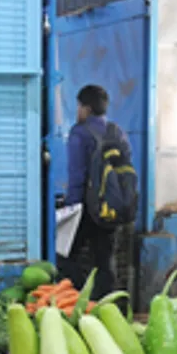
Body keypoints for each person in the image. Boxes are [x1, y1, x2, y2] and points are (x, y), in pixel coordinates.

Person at [61, 84, 132, 297]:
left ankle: (78, 299)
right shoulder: (117, 132)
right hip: (113, 205)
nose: (77, 112)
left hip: (87, 207)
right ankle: (106, 304)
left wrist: (72, 207)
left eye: (79, 107)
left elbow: (77, 175)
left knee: (65, 255)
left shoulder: (79, 133)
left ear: (87, 108)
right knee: (104, 259)